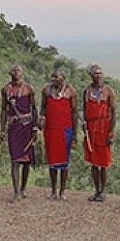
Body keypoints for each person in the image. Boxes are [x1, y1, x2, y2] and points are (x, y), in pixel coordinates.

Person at [0, 64, 38, 202]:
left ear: (22, 73)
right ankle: (16, 192)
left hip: (27, 127)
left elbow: (34, 109)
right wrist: (2, 129)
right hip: (14, 128)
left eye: (19, 70)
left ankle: (23, 188)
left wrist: (35, 128)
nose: (16, 73)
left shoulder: (29, 89)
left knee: (26, 161)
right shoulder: (6, 89)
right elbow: (3, 110)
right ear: (10, 73)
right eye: (14, 70)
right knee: (15, 160)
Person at [39, 69, 78, 200]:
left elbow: (74, 113)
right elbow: (43, 107)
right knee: (52, 161)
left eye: (56, 77)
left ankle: (62, 191)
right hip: (50, 130)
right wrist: (42, 117)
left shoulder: (70, 91)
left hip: (65, 130)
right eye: (53, 77)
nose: (54, 80)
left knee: (64, 162)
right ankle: (53, 190)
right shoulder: (46, 90)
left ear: (63, 78)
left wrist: (75, 135)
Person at [82, 65, 116, 202]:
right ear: (90, 75)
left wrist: (111, 133)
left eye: (99, 73)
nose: (97, 75)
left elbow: (113, 113)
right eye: (94, 73)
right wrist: (84, 124)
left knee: (103, 163)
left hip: (104, 128)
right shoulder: (87, 91)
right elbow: (84, 109)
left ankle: (103, 191)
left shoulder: (108, 91)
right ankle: (96, 190)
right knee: (93, 163)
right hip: (91, 129)